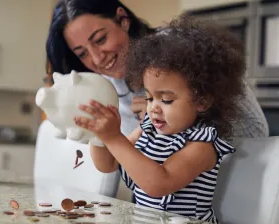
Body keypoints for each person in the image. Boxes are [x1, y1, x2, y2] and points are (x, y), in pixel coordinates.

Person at [73, 15, 246, 224]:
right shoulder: (147, 130)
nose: (153, 107)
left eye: (166, 99)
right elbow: (107, 164)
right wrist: (99, 136)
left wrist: (114, 138)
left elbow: (159, 183)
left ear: (202, 101)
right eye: (149, 97)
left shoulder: (201, 145)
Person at [46, 0, 269, 139]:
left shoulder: (176, 49)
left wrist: (176, 120)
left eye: (100, 39)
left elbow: (255, 131)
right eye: (82, 53)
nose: (96, 57)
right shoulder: (109, 85)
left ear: (123, 19)